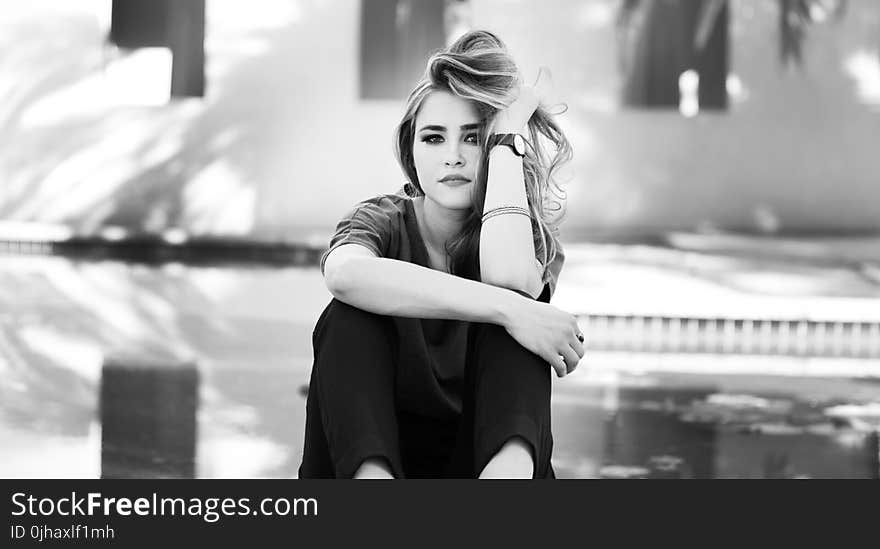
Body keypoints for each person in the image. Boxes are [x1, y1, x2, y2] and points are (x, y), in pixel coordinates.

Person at [298, 30, 583, 479]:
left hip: (479, 462)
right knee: (348, 316)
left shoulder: (527, 239)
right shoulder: (383, 220)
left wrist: (508, 136)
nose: (453, 156)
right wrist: (507, 310)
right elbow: (344, 274)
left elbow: (510, 279)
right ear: (411, 155)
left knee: (517, 322)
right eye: (433, 138)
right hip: (373, 460)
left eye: (473, 138)